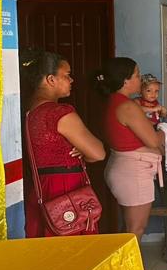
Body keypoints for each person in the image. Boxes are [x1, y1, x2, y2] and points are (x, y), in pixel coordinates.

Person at [97, 57, 167, 270]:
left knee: (131, 227)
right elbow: (152, 140)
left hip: (128, 169)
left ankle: (134, 269)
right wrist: (164, 131)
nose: (141, 79)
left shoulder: (117, 102)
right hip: (133, 172)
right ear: (126, 80)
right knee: (135, 229)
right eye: (137, 75)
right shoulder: (128, 107)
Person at [20, 49, 107, 239]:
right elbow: (98, 153)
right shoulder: (58, 112)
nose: (71, 80)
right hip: (66, 187)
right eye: (67, 75)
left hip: (41, 186)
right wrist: (84, 152)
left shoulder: (28, 110)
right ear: (51, 79)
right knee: (73, 245)